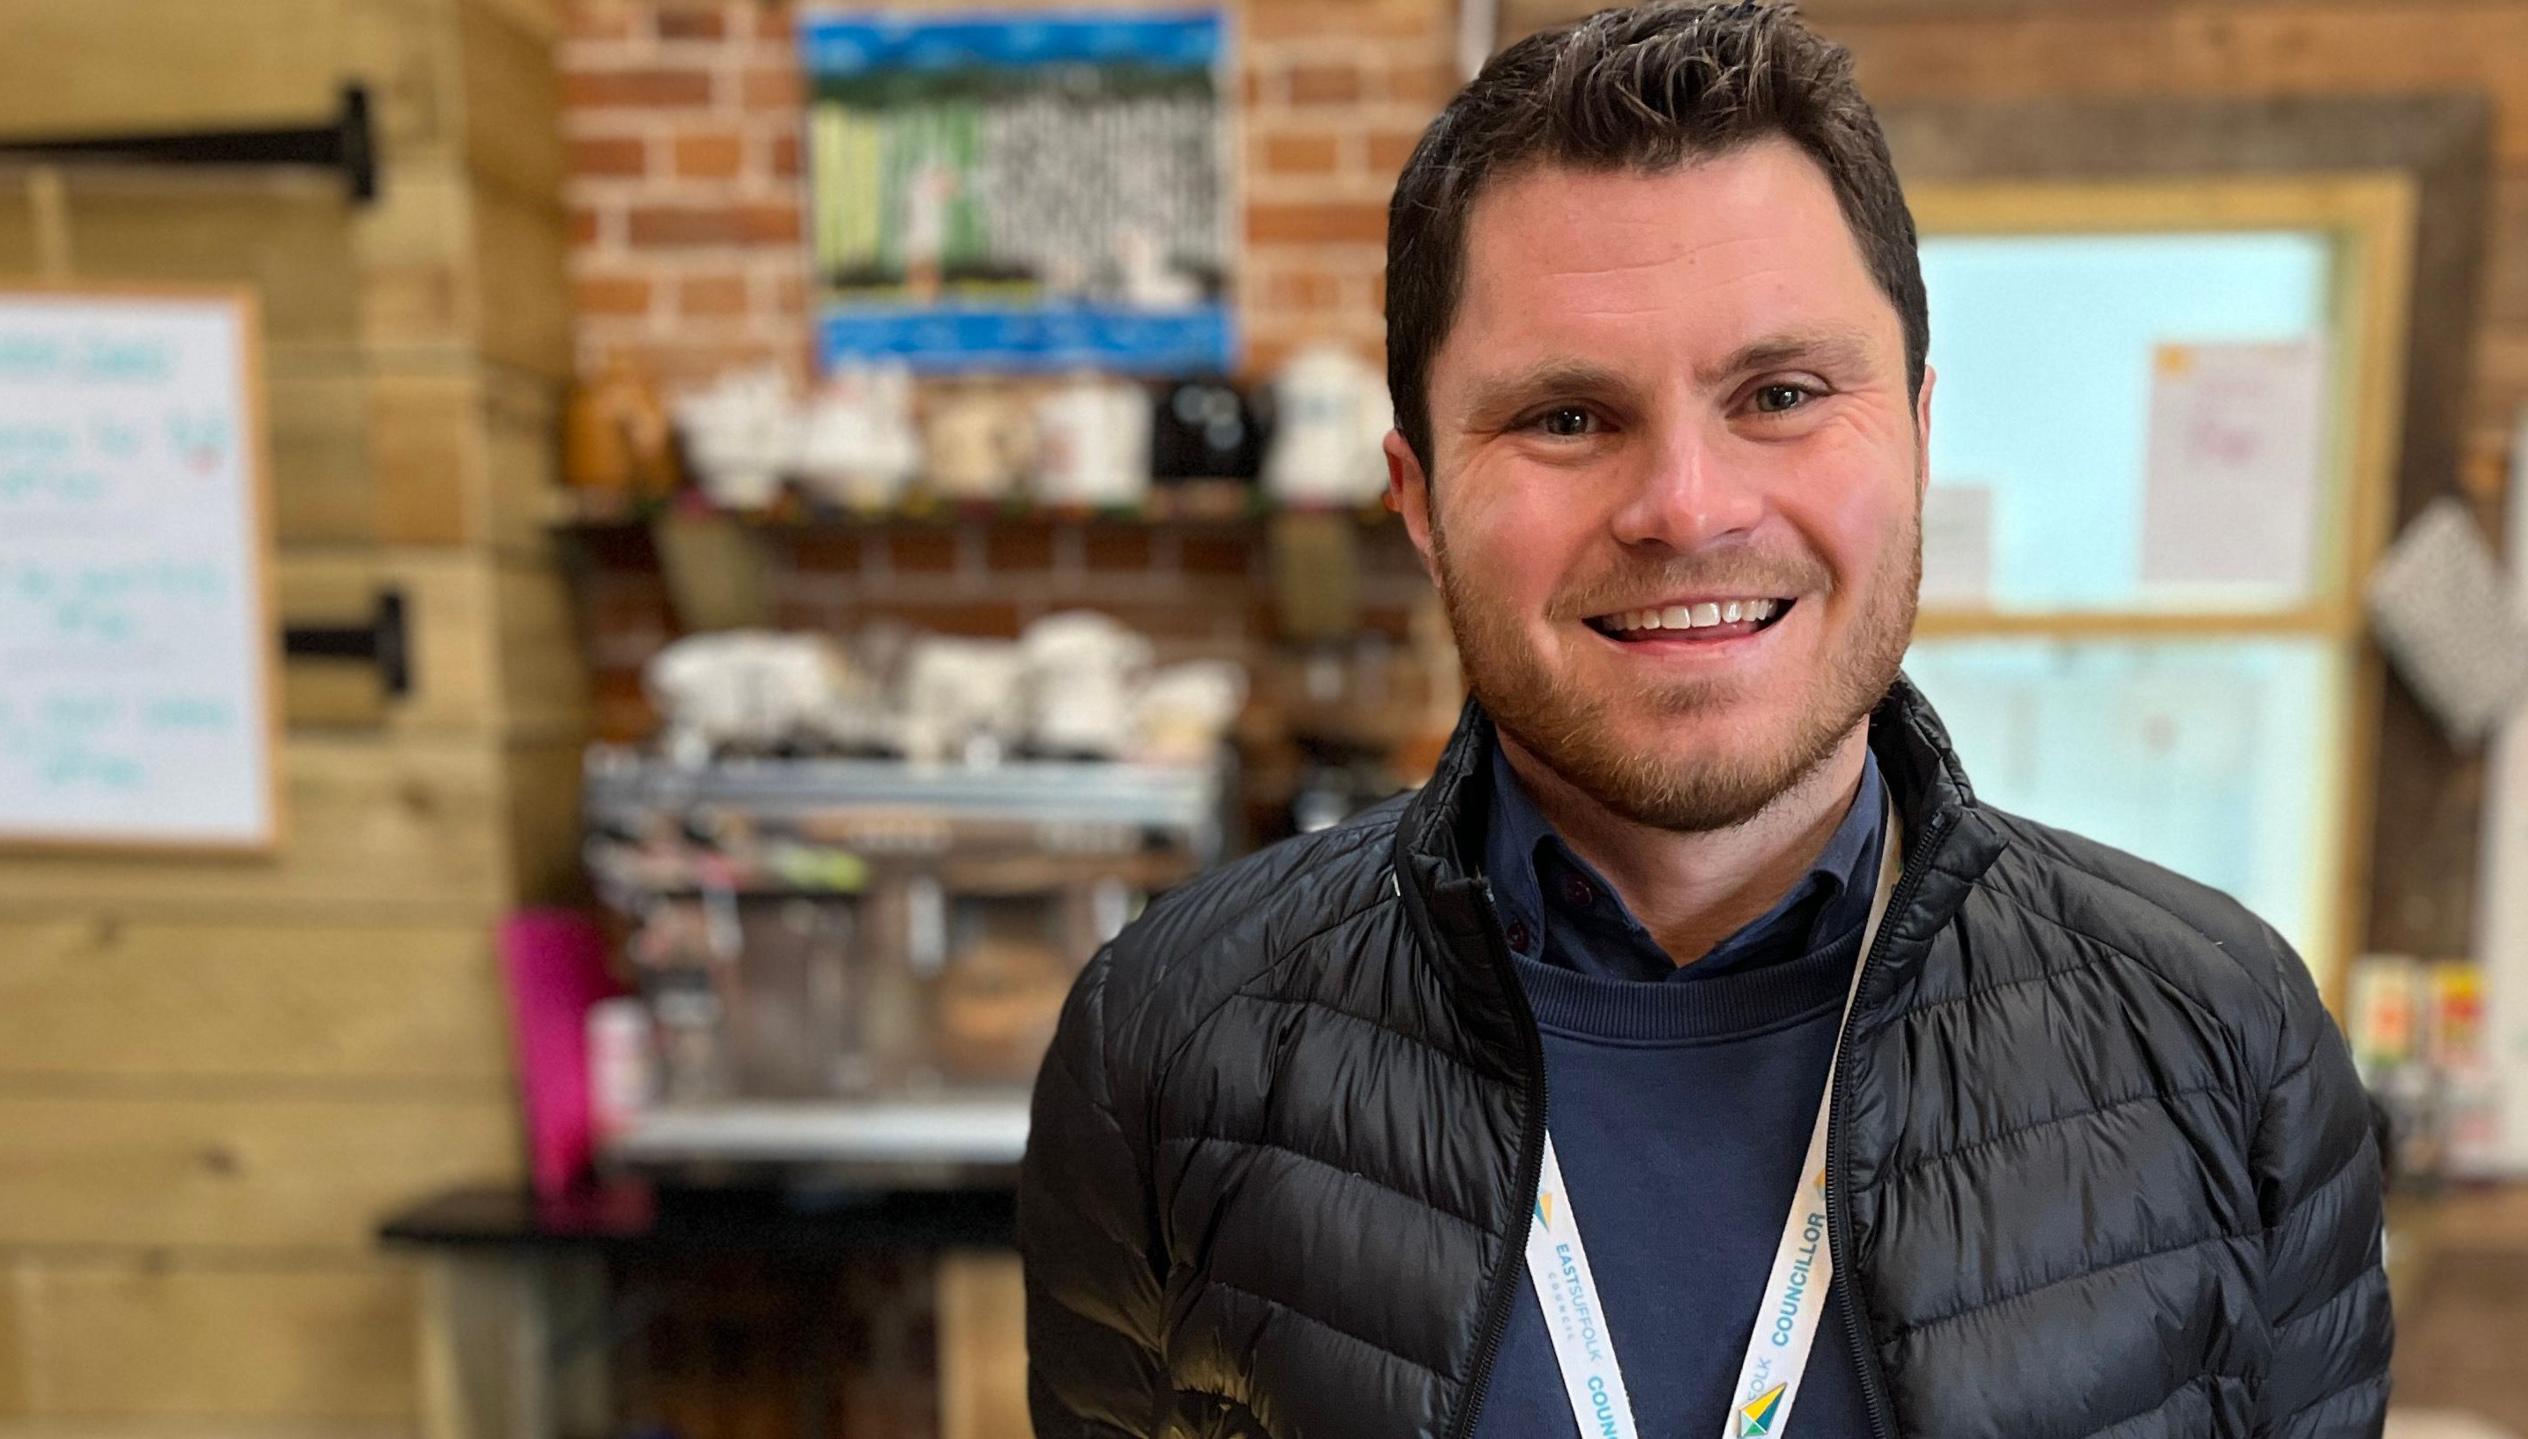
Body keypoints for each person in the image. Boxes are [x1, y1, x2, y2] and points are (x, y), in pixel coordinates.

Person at [1018, 3, 2393, 1435]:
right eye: (1564, 417)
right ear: (1419, 497)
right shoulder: (1167, 1043)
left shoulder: (2226, 1042)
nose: (1686, 505)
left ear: (1919, 439)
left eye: (1781, 394)